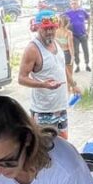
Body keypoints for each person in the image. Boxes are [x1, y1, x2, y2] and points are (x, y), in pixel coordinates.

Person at [19, 9, 70, 140]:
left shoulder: (56, 42)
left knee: (64, 146)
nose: (49, 32)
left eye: (52, 28)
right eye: (45, 28)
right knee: (44, 149)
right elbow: (21, 78)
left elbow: (61, 66)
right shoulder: (32, 49)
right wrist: (43, 85)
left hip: (61, 107)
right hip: (43, 112)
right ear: (37, 28)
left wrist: (73, 84)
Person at [64, 0, 91, 71]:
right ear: (70, 5)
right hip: (74, 36)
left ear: (78, 4)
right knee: (76, 52)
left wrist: (88, 30)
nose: (74, 5)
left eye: (75, 3)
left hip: (83, 35)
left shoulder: (82, 11)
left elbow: (89, 18)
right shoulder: (68, 13)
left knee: (86, 50)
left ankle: (87, 64)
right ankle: (77, 66)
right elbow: (62, 19)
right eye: (72, 4)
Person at [56, 12, 79, 95]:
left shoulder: (55, 31)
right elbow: (70, 46)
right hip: (67, 54)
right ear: (67, 23)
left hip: (58, 54)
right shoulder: (68, 32)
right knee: (69, 74)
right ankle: (69, 91)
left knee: (62, 74)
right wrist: (73, 56)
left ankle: (64, 91)